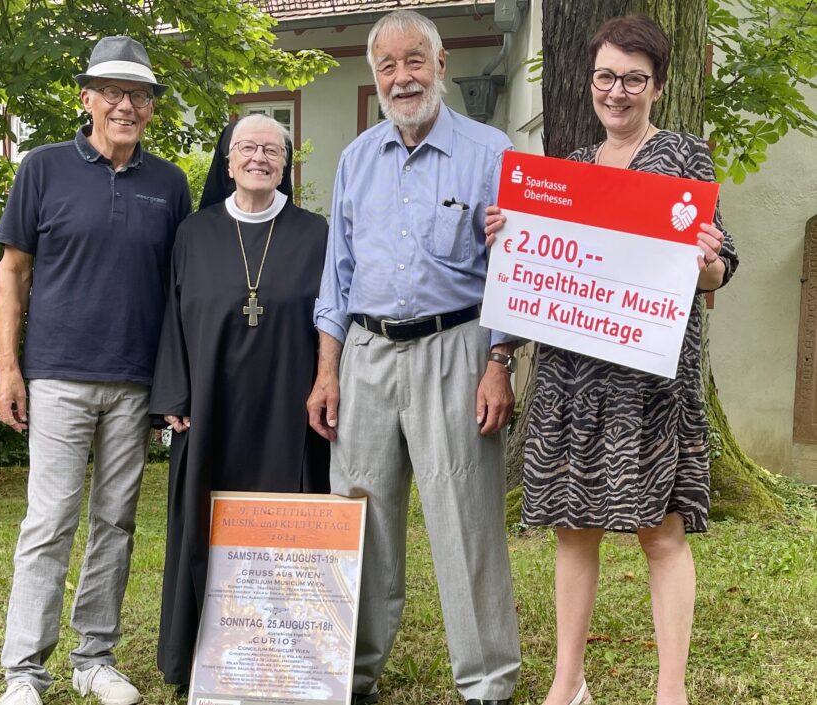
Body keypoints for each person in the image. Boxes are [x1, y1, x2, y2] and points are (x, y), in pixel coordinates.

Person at [487, 14, 739, 705]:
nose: (617, 91)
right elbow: (528, 278)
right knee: (574, 529)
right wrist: (509, 239)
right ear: (590, 81)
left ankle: (671, 690)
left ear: (656, 87)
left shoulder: (686, 158)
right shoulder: (564, 172)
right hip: (573, 380)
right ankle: (568, 682)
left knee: (660, 533)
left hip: (652, 384)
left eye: (634, 78)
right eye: (606, 76)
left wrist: (708, 263)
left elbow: (718, 271)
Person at [308, 10, 521, 705]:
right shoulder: (356, 158)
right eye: (388, 66)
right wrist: (327, 369)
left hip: (455, 349)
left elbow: (514, 269)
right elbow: (336, 276)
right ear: (377, 76)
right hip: (366, 354)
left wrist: (499, 362)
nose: (402, 77)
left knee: (466, 517)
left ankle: (487, 681)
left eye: (414, 61)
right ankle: (352, 673)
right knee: (357, 515)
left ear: (440, 65)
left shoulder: (490, 152)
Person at [0, 36, 190, 705]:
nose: (126, 105)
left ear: (152, 108)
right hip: (56, 376)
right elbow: (12, 273)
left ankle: (93, 657)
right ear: (87, 99)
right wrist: (7, 368)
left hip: (133, 380)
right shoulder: (43, 168)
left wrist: (172, 386)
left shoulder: (169, 185)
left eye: (139, 95)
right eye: (112, 91)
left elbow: (178, 290)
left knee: (116, 520)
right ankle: (24, 671)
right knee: (48, 521)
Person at [150, 114, 330, 695]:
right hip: (210, 410)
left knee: (287, 522)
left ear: (286, 163)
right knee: (204, 523)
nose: (259, 158)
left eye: (271, 149)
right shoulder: (193, 233)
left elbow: (333, 320)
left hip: (288, 408)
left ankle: (290, 656)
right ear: (226, 162)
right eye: (246, 148)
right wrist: (173, 394)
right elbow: (171, 319)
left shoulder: (316, 233)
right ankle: (202, 655)